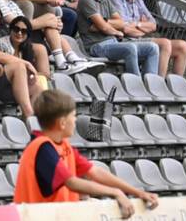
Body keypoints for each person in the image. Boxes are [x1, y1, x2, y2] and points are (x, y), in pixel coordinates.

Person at [12, 87, 158, 211]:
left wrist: (137, 192)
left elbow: (94, 172)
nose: (75, 120)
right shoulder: (41, 148)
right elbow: (72, 182)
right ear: (62, 123)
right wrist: (115, 193)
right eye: (73, 116)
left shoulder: (63, 145)